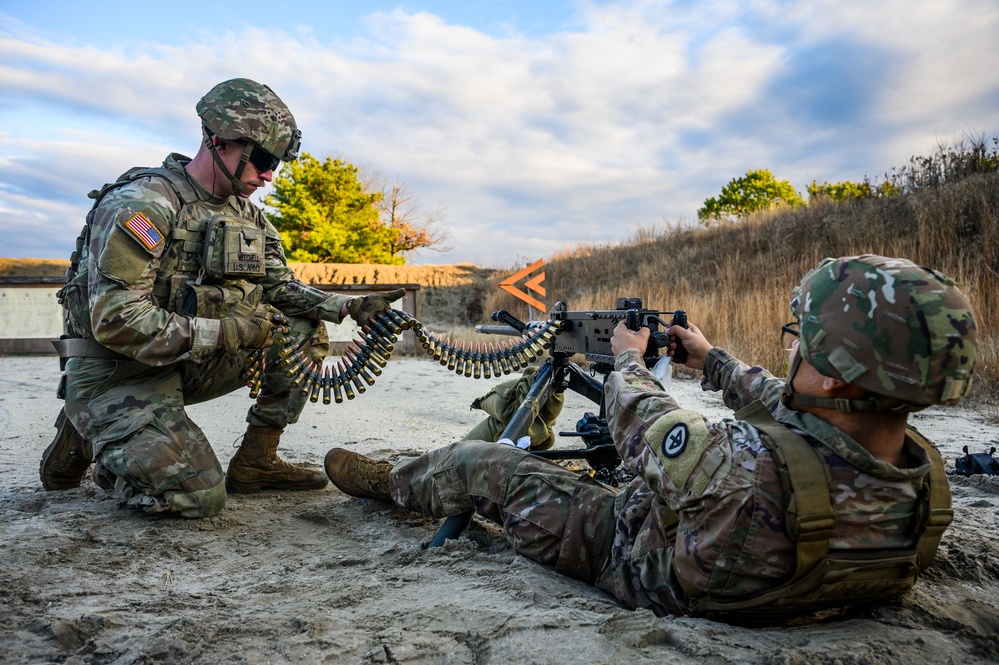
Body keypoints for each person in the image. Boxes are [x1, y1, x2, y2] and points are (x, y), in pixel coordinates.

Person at [324, 255, 978, 620]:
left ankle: (393, 482)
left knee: (481, 464)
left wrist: (629, 359)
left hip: (641, 560)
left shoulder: (734, 467)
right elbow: (791, 408)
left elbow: (645, 426)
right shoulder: (918, 470)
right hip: (785, 576)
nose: (791, 353)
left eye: (802, 344)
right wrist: (709, 360)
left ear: (837, 379)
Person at [40, 78, 404, 519]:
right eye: (264, 160)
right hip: (117, 371)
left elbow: (278, 285)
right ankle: (96, 437)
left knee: (303, 328)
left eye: (277, 164)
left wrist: (347, 307)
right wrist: (230, 330)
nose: (269, 175)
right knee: (196, 498)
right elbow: (115, 319)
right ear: (219, 142)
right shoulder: (146, 204)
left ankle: (256, 462)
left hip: (185, 360)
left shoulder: (246, 214)